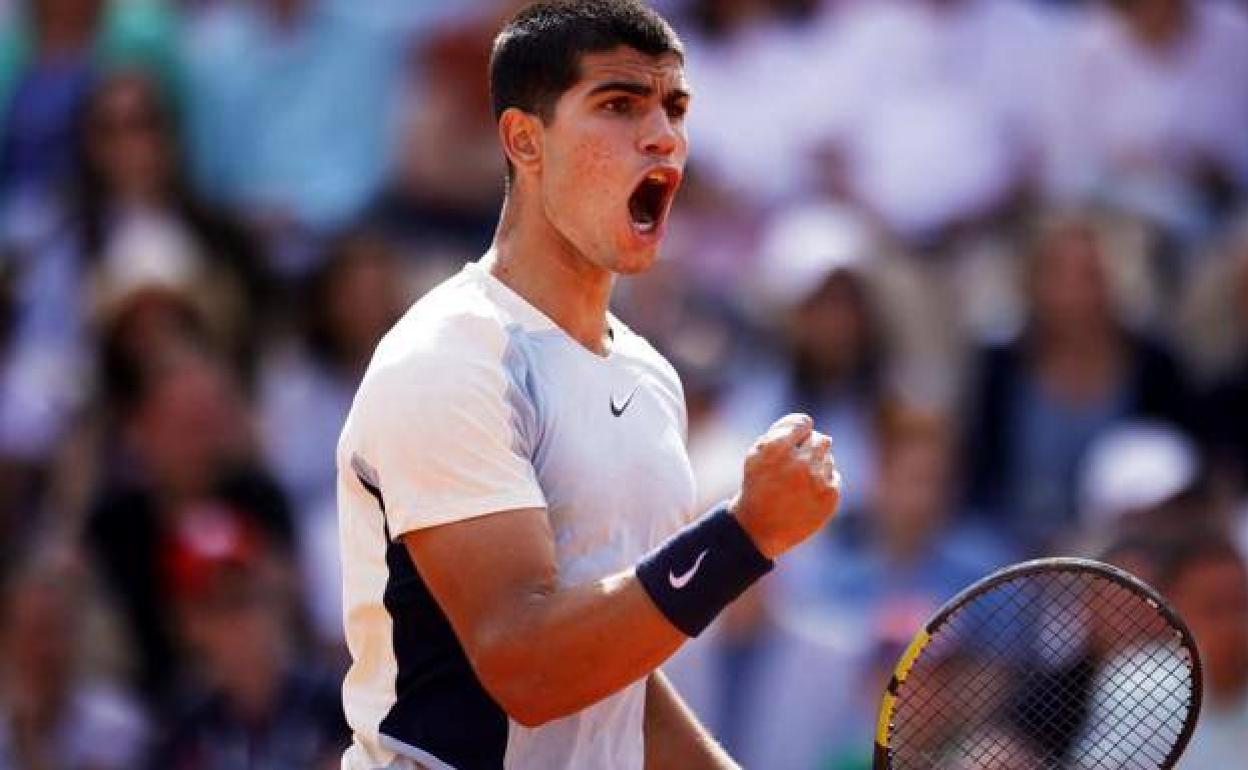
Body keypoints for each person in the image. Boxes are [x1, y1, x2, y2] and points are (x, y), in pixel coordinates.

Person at [336, 2, 841, 769]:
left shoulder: (650, 378)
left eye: (674, 108)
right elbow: (528, 668)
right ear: (523, 140)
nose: (662, 135)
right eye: (618, 104)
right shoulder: (451, 357)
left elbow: (617, 681)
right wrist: (746, 535)